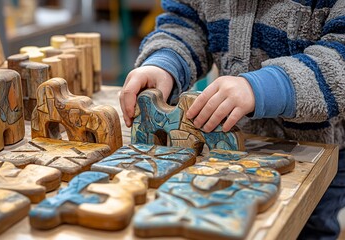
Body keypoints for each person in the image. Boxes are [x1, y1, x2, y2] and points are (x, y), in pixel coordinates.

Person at [119, 0, 345, 239]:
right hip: (231, 150)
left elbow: (339, 60)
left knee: (309, 229)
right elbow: (186, 23)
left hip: (317, 152)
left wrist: (262, 88)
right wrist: (164, 63)